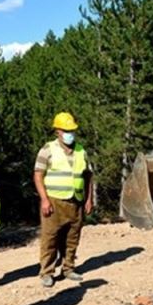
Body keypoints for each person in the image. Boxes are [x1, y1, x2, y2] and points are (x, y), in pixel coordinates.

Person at [33, 112, 93, 288]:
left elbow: (88, 176)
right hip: (54, 201)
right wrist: (44, 199)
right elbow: (38, 175)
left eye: (72, 130)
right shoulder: (48, 149)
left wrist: (89, 199)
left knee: (72, 238)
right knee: (50, 238)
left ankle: (68, 268)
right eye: (66, 130)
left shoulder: (82, 151)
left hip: (76, 201)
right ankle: (47, 272)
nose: (70, 133)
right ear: (57, 131)